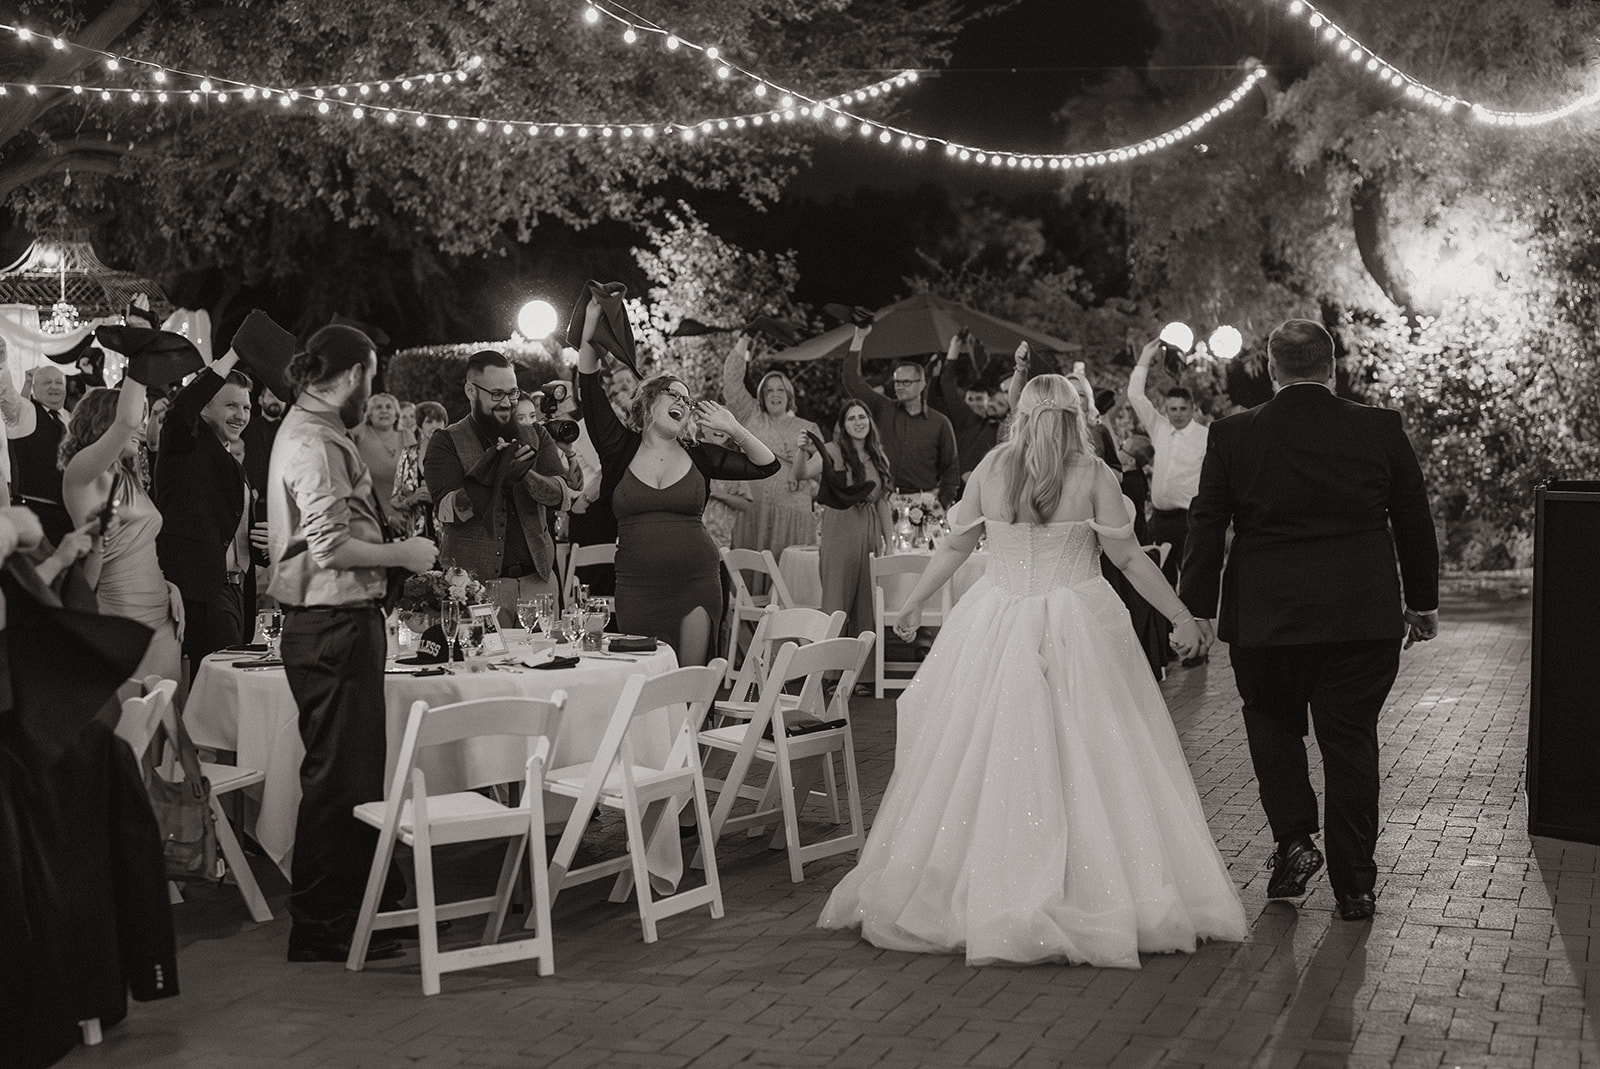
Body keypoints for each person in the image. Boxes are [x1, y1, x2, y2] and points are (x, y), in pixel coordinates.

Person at [819, 374, 1245, 967]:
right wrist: (1180, 614)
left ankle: (983, 881)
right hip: (1079, 622)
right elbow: (1126, 556)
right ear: (1076, 416)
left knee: (986, 750)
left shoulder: (992, 468)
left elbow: (955, 547)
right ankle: (1085, 883)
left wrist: (915, 600)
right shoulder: (1093, 474)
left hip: (996, 618)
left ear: (1019, 415)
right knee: (1095, 750)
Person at [1180, 319, 1439, 923]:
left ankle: (1294, 840)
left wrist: (1197, 609)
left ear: (1272, 369)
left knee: (1272, 728)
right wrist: (1421, 600)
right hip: (1360, 614)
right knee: (1350, 742)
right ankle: (1355, 886)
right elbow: (1412, 518)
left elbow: (1207, 521)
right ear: (1332, 366)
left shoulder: (1234, 434)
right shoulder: (1378, 427)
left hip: (1266, 617)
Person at [266, 323, 437, 963]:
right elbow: (330, 545)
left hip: (338, 622)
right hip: (331, 624)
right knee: (338, 781)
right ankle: (319, 925)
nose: (376, 390)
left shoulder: (313, 430)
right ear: (353, 373)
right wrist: (405, 553)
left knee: (356, 775)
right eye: (372, 375)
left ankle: (368, 910)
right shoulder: (312, 440)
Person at [576, 299, 779, 665]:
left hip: (697, 582)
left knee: (691, 682)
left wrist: (734, 427)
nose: (683, 403)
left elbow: (767, 465)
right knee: (645, 679)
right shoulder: (617, 447)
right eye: (674, 395)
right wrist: (592, 320)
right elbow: (588, 383)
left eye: (687, 401)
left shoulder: (700, 454)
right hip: (637, 588)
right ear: (650, 401)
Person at [424, 351, 576, 627]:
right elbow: (447, 512)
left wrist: (526, 476)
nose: (507, 403)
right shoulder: (446, 441)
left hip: (537, 583)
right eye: (496, 394)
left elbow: (562, 496)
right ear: (471, 390)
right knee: (482, 668)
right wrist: (493, 476)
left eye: (513, 392)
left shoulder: (536, 434)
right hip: (476, 590)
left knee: (546, 668)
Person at [59, 382, 184, 687]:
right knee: (127, 722)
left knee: (165, 720)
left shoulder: (128, 475)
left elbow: (136, 546)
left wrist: (169, 586)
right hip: (119, 614)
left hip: (162, 614)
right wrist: (140, 362)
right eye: (136, 420)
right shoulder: (83, 473)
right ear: (106, 423)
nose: (140, 428)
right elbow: (126, 421)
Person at [154, 350, 254, 669]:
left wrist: (262, 542)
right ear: (205, 406)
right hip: (201, 591)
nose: (241, 414)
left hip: (235, 591)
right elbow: (181, 409)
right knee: (218, 693)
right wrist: (231, 357)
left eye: (246, 407)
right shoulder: (184, 444)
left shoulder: (229, 457)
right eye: (231, 405)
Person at [801, 400, 892, 692]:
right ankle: (829, 674)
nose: (858, 422)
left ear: (869, 421)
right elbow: (800, 474)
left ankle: (862, 675)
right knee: (836, 601)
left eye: (862, 416)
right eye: (851, 418)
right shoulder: (832, 451)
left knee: (866, 601)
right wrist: (803, 452)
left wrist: (889, 540)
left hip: (869, 530)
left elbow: (882, 502)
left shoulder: (878, 456)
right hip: (840, 527)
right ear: (843, 424)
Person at [721, 337, 822, 562]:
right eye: (768, 391)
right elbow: (732, 382)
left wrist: (808, 473)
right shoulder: (750, 415)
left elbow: (824, 471)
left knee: (789, 573)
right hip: (755, 510)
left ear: (789, 396)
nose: (775, 395)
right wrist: (745, 339)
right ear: (762, 396)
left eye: (780, 390)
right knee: (754, 569)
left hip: (793, 510)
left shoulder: (807, 427)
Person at [841, 326, 960, 508]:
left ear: (922, 384)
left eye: (906, 382)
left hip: (923, 503)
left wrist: (941, 503)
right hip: (883, 500)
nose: (899, 387)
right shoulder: (883, 408)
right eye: (897, 382)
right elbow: (852, 380)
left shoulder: (940, 423)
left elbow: (951, 470)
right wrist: (859, 337)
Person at [1126, 341, 1208, 594]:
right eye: (1172, 409)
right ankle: (1163, 632)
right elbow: (1135, 396)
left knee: (1192, 582)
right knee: (1158, 580)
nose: (1178, 414)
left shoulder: (1205, 437)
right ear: (1166, 410)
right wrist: (1144, 359)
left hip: (1188, 519)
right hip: (1160, 519)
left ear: (1192, 409)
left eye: (1183, 409)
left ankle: (1193, 629)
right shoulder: (1160, 427)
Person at [0, 359, 74, 545]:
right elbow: (6, 394)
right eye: (46, 382)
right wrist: (2, 361)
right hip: (33, 515)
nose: (54, 387)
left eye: (58, 382)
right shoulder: (25, 413)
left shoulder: (71, 419)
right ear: (34, 388)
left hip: (69, 516)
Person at [927, 334, 1002, 483]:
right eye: (970, 399)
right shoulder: (966, 418)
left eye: (979, 399)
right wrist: (953, 350)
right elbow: (946, 386)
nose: (975, 403)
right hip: (954, 484)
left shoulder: (1003, 430)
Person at [351, 392, 408, 532]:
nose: (384, 410)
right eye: (378, 407)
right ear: (369, 414)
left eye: (389, 407)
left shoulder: (407, 435)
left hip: (405, 519)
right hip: (369, 518)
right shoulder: (360, 433)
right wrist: (385, 518)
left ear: (396, 413)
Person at [391, 400, 446, 541]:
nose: (435, 425)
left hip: (447, 538)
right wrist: (412, 499)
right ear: (420, 426)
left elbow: (465, 497)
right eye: (429, 421)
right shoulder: (408, 454)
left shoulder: (453, 454)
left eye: (439, 421)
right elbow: (395, 499)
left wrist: (436, 499)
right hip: (416, 537)